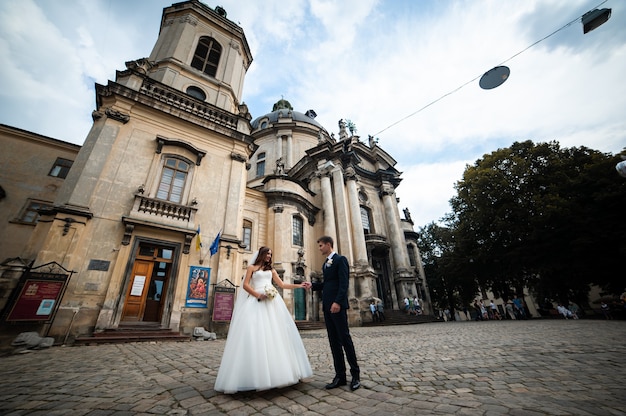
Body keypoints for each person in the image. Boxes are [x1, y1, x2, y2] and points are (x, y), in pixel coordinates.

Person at [214, 247, 312, 393]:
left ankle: (279, 372)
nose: (269, 256)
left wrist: (299, 285)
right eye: (267, 253)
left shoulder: (271, 270)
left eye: (271, 254)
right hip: (256, 301)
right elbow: (246, 285)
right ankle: (253, 375)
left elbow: (282, 285)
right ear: (261, 254)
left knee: (276, 334)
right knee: (254, 333)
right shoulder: (251, 268)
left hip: (272, 303)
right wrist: (257, 295)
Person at [305, 236, 360, 391]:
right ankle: (340, 376)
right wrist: (313, 285)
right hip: (328, 308)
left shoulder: (340, 260)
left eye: (321, 245)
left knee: (345, 339)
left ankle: (355, 375)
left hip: (337, 306)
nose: (319, 248)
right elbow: (327, 284)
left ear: (328, 245)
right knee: (333, 342)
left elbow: (344, 283)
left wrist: (337, 302)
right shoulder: (325, 264)